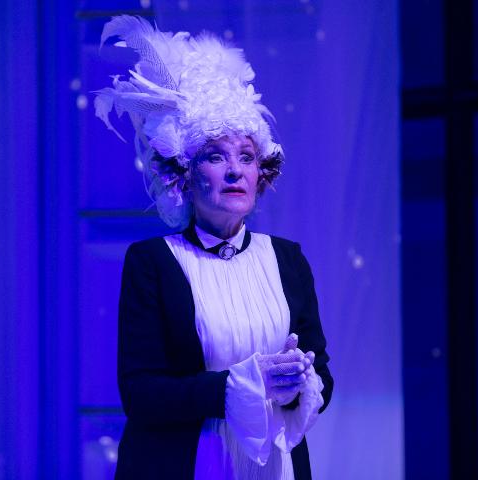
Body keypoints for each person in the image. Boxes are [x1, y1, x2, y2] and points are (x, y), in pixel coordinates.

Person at [95, 16, 334, 480]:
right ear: (186, 173)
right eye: (216, 155)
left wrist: (296, 383)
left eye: (246, 157)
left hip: (272, 467)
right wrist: (241, 386)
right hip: (187, 465)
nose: (234, 170)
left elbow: (322, 373)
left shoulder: (287, 259)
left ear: (260, 175)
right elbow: (141, 394)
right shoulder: (154, 262)